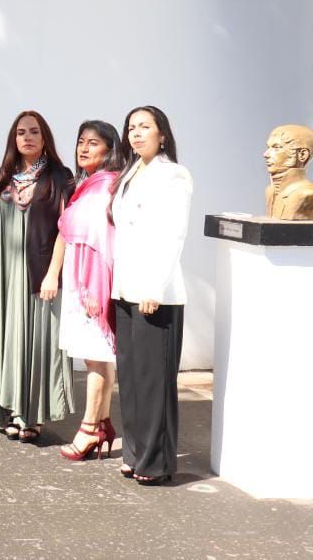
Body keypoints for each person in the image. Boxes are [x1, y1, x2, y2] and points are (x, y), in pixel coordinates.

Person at [0, 110, 75, 443]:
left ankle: (30, 416)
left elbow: (65, 229)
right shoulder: (1, 177)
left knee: (37, 343)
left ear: (44, 138)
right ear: (13, 139)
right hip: (6, 275)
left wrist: (53, 274)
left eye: (34, 132)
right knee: (7, 340)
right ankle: (8, 410)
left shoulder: (60, 176)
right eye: (21, 132)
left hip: (39, 273)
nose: (27, 137)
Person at [111, 105, 192, 485]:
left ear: (162, 134)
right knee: (130, 378)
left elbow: (173, 234)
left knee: (153, 380)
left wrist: (154, 286)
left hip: (154, 292)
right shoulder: (130, 172)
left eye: (145, 127)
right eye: (131, 128)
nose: (137, 133)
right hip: (125, 289)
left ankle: (156, 463)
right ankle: (134, 453)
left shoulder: (173, 175)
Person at [46, 120, 123, 461]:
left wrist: (95, 287)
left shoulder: (108, 186)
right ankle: (102, 422)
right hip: (80, 279)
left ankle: (90, 428)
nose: (84, 148)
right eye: (81, 142)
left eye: (93, 142)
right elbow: (68, 234)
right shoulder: (86, 186)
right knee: (97, 356)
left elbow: (104, 240)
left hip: (94, 282)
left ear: (110, 149)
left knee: (96, 356)